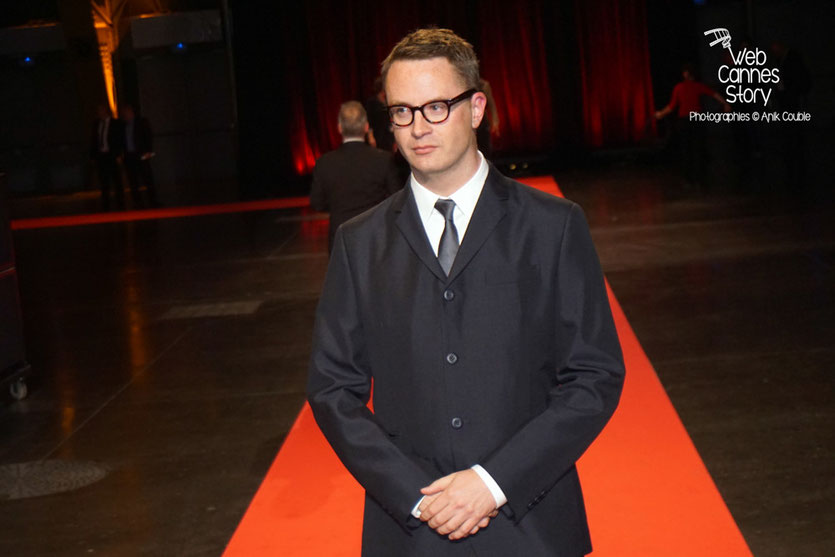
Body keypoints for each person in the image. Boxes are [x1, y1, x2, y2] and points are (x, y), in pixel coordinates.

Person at [307, 28, 624, 557]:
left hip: (531, 523)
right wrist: (413, 495)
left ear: (476, 108)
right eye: (401, 111)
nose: (416, 128)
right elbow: (332, 388)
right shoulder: (358, 242)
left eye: (436, 107)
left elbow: (593, 375)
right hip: (410, 528)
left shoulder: (553, 226)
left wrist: (494, 481)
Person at [309, 100, 403, 253]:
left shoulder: (325, 162)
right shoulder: (383, 160)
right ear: (366, 127)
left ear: (339, 128)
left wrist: (338, 205)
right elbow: (398, 198)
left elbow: (317, 203)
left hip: (340, 240)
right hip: (377, 238)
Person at [655, 64, 731, 191]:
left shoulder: (683, 87)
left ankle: (691, 179)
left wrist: (660, 114)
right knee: (695, 149)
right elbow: (714, 94)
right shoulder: (686, 87)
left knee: (689, 150)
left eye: (685, 72)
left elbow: (672, 106)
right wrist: (725, 103)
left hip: (687, 121)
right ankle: (697, 179)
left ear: (688, 74)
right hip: (693, 121)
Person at [120, 104, 160, 208]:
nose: (125, 114)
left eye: (127, 112)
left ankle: (153, 201)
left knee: (147, 178)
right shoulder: (123, 125)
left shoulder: (141, 122)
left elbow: (148, 137)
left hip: (141, 154)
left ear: (131, 112)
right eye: (124, 113)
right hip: (129, 156)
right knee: (133, 181)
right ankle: (138, 203)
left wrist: (149, 151)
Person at [90, 104, 124, 210]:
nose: (99, 113)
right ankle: (106, 204)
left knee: (116, 180)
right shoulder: (97, 124)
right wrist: (93, 156)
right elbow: (94, 141)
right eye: (98, 111)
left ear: (106, 111)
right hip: (101, 156)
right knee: (104, 181)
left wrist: (118, 154)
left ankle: (120, 203)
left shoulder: (115, 123)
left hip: (112, 155)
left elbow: (119, 139)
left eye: (101, 110)